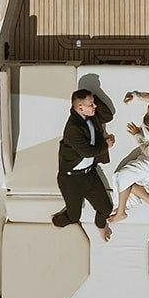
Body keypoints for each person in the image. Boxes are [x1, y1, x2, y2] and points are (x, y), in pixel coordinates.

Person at [51, 88, 116, 240]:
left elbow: (108, 116)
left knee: (106, 208)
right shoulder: (73, 128)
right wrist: (106, 145)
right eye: (91, 104)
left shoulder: (90, 116)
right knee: (74, 216)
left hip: (89, 174)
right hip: (71, 179)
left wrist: (93, 98)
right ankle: (56, 220)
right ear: (80, 107)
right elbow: (87, 152)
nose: (95, 107)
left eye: (93, 103)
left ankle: (100, 226)